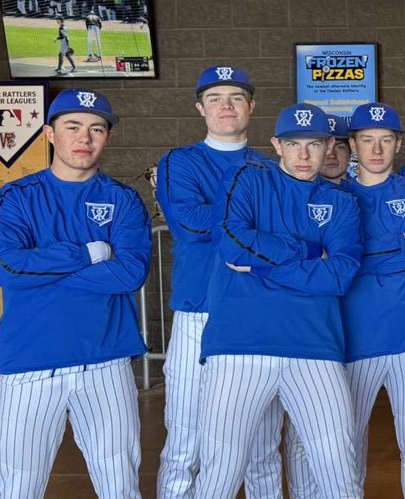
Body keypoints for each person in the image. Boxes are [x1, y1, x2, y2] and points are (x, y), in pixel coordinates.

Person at [0, 88, 149, 498]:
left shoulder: (123, 200)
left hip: (106, 362)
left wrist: (44, 269)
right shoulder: (15, 198)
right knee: (17, 485)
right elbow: (8, 268)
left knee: (120, 486)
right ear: (49, 133)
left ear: (108, 137)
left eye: (97, 129)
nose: (85, 138)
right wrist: (89, 254)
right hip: (30, 363)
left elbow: (129, 273)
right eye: (73, 127)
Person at [195, 103, 362, 498]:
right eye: (293, 144)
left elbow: (339, 274)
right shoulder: (247, 178)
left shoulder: (342, 203)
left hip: (314, 348)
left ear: (330, 147)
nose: (304, 155)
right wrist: (307, 251)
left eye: (314, 144)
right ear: (276, 145)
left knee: (339, 468)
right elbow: (233, 244)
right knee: (221, 471)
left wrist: (264, 266)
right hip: (239, 346)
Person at [153, 65, 286, 499]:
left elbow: (291, 232)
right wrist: (256, 225)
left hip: (256, 315)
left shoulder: (273, 168)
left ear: (252, 106)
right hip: (198, 311)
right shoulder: (180, 161)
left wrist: (246, 227)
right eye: (214, 98)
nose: (225, 106)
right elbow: (190, 224)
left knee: (262, 445)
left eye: (235, 97)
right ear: (200, 108)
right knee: (186, 440)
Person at [341, 102, 405, 496]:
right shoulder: (337, 198)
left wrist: (364, 256)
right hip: (355, 339)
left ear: (399, 143)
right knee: (347, 444)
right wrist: (399, 245)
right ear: (352, 144)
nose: (377, 149)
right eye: (367, 140)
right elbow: (338, 262)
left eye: (385, 139)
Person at [320, 114, 351, 184]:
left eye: (340, 147)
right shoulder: (298, 194)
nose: (332, 155)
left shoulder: (364, 192)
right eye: (326, 147)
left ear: (350, 151)